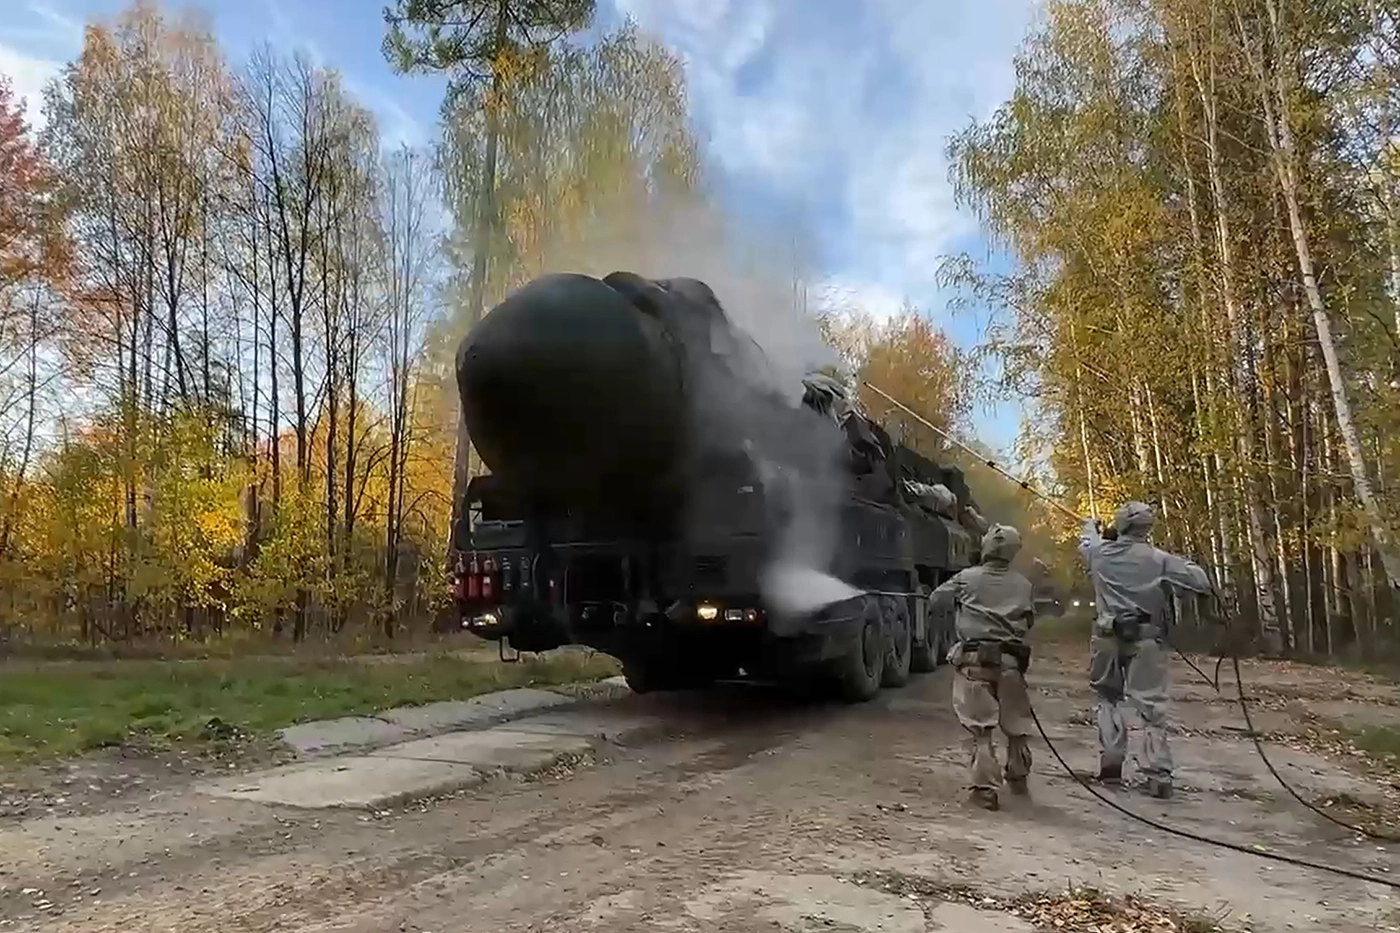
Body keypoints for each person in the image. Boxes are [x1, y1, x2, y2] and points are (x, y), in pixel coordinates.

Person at [1079, 501, 1212, 799]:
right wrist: (1180, 564)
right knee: (1152, 708)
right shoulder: (1159, 559)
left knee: (1107, 698)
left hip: (1106, 637)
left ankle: (1111, 761)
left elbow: (1086, 541)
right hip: (1146, 639)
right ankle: (1158, 773)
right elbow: (1200, 582)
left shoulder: (1097, 552)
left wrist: (1091, 526)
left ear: (1121, 524)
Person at [931, 523, 1037, 811]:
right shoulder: (1023, 584)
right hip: (1011, 665)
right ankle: (1018, 776)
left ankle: (985, 790)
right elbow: (1029, 620)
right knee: (1016, 725)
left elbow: (935, 601)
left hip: (975, 663)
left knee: (980, 729)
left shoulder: (966, 578)